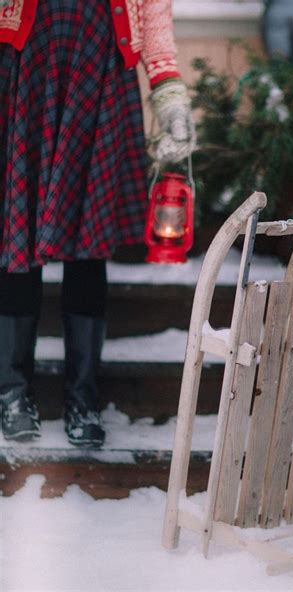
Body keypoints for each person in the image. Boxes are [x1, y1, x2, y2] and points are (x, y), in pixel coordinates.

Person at [0, 0, 195, 448]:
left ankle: (82, 399)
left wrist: (167, 87)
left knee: (88, 238)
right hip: (25, 70)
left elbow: (154, 12)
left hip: (101, 70)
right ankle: (12, 392)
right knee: (17, 235)